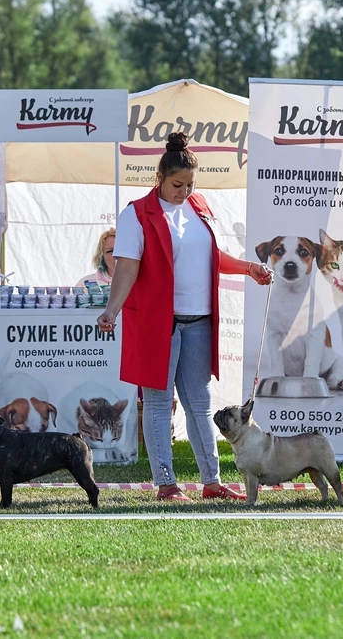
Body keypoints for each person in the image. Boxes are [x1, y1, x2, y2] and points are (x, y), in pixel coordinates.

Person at [97, 133, 273, 502]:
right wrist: (111, 310)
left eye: (191, 184)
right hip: (156, 323)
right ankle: (166, 485)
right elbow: (127, 268)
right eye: (178, 185)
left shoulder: (200, 206)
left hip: (199, 321)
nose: (184, 191)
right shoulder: (136, 213)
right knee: (159, 403)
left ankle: (211, 482)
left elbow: (213, 255)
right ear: (159, 178)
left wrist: (248, 268)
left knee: (201, 404)